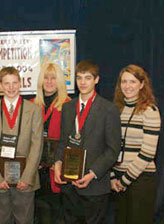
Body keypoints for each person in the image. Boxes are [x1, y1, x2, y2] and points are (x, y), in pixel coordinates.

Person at [54, 59, 121, 224]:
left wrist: (92, 174)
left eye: (87, 78)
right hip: (69, 185)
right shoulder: (69, 107)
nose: (83, 82)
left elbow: (113, 150)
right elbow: (63, 141)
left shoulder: (109, 109)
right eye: (79, 78)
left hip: (95, 186)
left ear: (96, 80)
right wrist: (57, 163)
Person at [0, 66, 43, 224]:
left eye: (14, 83)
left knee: (25, 220)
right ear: (0, 85)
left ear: (20, 83)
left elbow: (37, 145)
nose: (11, 87)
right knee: (1, 220)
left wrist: (27, 177)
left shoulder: (34, 110)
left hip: (25, 180)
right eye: (7, 83)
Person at [111, 64, 161, 224]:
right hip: (118, 180)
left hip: (141, 180)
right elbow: (111, 147)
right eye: (124, 82)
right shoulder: (116, 110)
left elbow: (148, 153)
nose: (127, 86)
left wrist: (125, 180)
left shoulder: (150, 111)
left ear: (142, 84)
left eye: (132, 82)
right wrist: (112, 177)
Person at [31, 63, 71, 223]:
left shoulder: (68, 105)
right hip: (37, 170)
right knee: (41, 215)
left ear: (60, 81)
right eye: (45, 78)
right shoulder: (32, 104)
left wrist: (59, 161)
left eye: (53, 78)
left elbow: (71, 140)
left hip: (58, 169)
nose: (49, 81)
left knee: (58, 215)